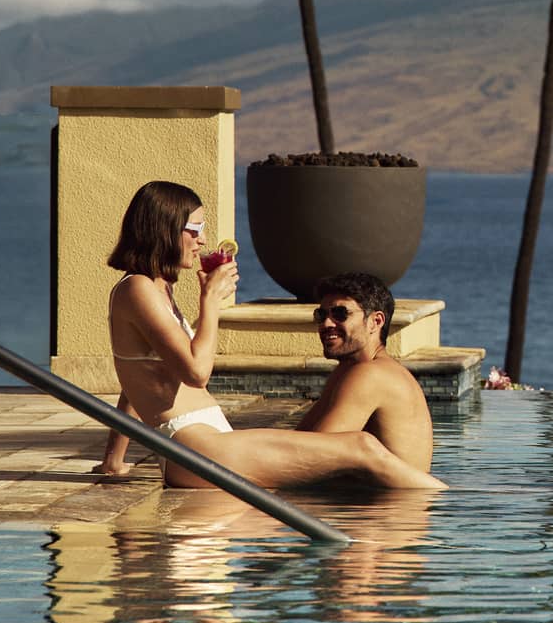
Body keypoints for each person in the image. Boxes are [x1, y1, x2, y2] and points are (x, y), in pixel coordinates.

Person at [92, 181, 444, 491]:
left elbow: (136, 380)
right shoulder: (137, 288)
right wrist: (211, 303)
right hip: (194, 446)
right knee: (362, 447)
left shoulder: (157, 289)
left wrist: (114, 459)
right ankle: (452, 503)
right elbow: (196, 372)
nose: (201, 240)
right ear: (165, 228)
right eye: (194, 229)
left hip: (204, 445)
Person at [295, 272, 433, 474]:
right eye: (321, 315)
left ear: (375, 322)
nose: (326, 324)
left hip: (389, 505)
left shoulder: (372, 375)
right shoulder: (347, 370)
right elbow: (302, 440)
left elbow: (311, 458)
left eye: (340, 314)